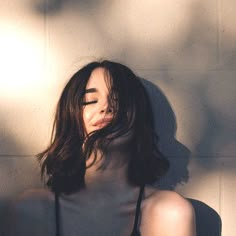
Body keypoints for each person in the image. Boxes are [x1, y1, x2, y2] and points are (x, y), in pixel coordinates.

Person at [8, 60, 196, 236]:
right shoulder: (35, 209)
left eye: (118, 99)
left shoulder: (169, 212)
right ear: (72, 117)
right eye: (90, 100)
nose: (106, 107)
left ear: (138, 116)